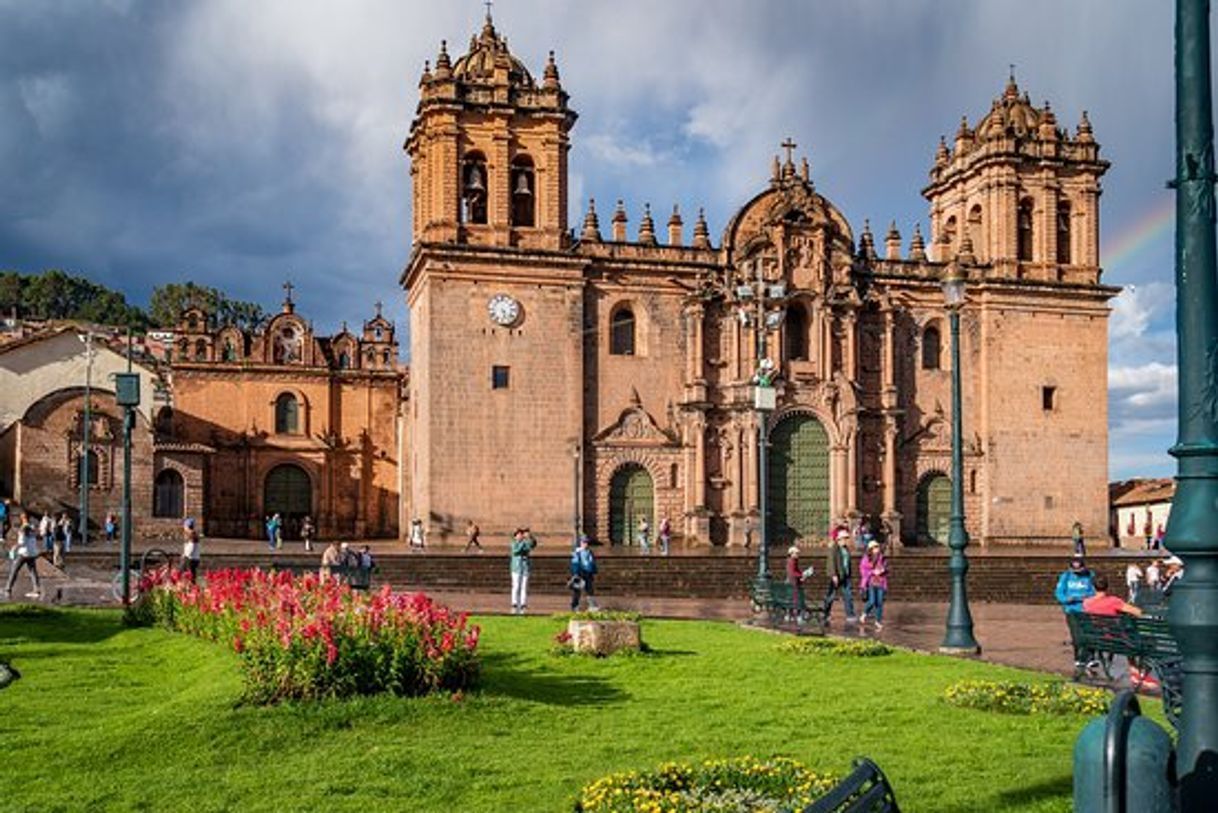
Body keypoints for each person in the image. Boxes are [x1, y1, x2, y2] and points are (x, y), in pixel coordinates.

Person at [1054, 554, 1097, 674]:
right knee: (1076, 634)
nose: (1077, 572)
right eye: (1075, 569)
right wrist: (1066, 599)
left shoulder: (1090, 575)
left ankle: (1090, 657)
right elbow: (1059, 593)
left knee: (1089, 632)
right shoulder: (1066, 576)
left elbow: (1094, 591)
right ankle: (1079, 658)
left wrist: (1085, 597)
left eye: (1079, 569)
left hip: (1086, 609)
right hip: (1072, 610)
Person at [823, 528, 856, 625]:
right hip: (837, 576)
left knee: (848, 595)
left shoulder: (845, 549)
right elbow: (831, 562)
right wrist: (833, 575)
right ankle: (825, 613)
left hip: (845, 575)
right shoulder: (834, 548)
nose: (845, 540)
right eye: (844, 538)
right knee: (831, 596)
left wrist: (849, 573)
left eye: (846, 538)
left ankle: (850, 615)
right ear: (838, 539)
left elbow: (847, 562)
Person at [4, 513, 42, 599]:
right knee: (33, 572)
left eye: (21, 518)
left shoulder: (23, 529)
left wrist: (14, 547)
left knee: (14, 570)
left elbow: (21, 542)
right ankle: (37, 588)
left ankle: (8, 588)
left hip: (23, 553)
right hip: (32, 553)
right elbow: (33, 540)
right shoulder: (32, 528)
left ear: (23, 518)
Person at [859, 540, 889, 631]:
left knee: (879, 603)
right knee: (872, 601)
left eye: (877, 547)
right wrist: (872, 572)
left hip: (880, 582)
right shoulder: (866, 558)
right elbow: (863, 571)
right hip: (871, 582)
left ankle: (878, 621)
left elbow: (887, 568)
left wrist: (883, 570)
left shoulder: (882, 558)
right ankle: (864, 613)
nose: (877, 549)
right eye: (875, 547)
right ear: (870, 549)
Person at [510, 528, 536, 614]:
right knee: (516, 586)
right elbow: (516, 551)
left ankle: (523, 604)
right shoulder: (514, 543)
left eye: (521, 534)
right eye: (518, 535)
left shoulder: (525, 543)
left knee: (524, 587)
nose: (520, 536)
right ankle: (514, 604)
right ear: (515, 536)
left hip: (525, 567)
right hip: (516, 568)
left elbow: (533, 545)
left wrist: (530, 537)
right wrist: (523, 542)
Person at [569, 535, 598, 611]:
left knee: (590, 590)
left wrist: (594, 570)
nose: (586, 544)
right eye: (584, 542)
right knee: (577, 591)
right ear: (580, 543)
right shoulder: (577, 553)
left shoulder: (589, 552)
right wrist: (575, 573)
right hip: (580, 573)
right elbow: (575, 563)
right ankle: (575, 606)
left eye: (587, 542)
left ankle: (592, 606)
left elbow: (592, 562)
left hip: (588, 573)